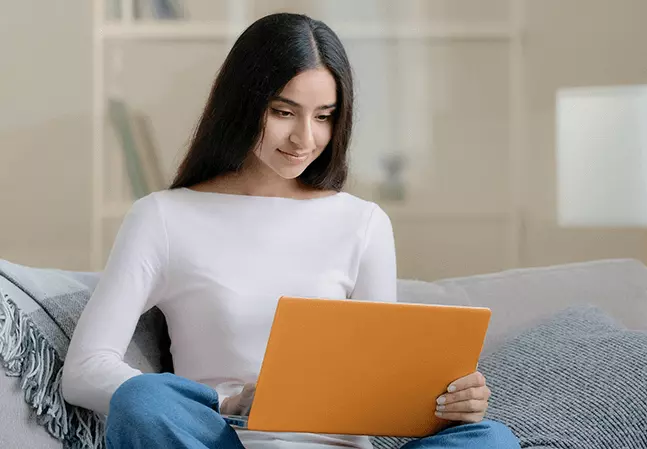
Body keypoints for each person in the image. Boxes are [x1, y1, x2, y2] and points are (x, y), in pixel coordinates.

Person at [62, 12, 520, 449]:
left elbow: (380, 382)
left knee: (491, 439)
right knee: (144, 401)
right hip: (219, 441)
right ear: (242, 104)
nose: (305, 138)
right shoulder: (163, 217)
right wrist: (229, 402)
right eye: (284, 112)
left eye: (324, 116)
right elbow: (84, 369)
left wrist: (448, 401)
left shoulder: (362, 222)